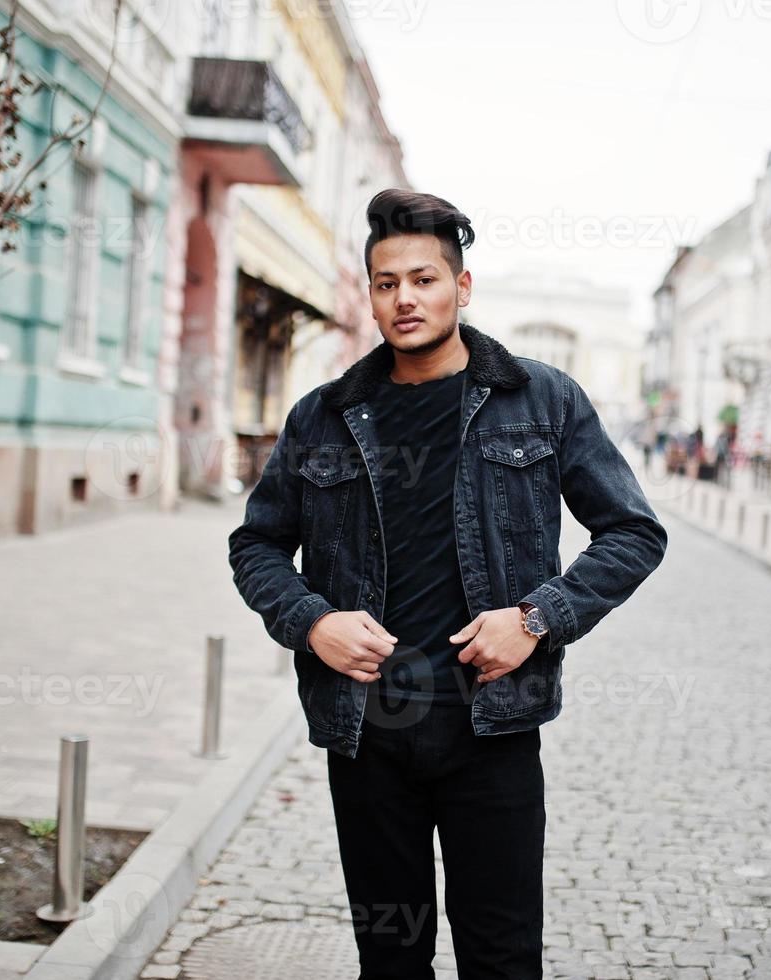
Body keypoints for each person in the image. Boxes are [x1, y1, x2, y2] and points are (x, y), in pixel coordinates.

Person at [228, 189, 668, 978]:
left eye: (424, 279)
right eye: (387, 282)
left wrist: (536, 618)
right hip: (367, 737)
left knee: (501, 959)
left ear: (461, 287)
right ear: (370, 293)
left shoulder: (541, 399)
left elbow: (633, 532)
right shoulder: (323, 416)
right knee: (389, 960)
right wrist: (311, 621)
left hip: (490, 735)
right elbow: (256, 544)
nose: (405, 299)